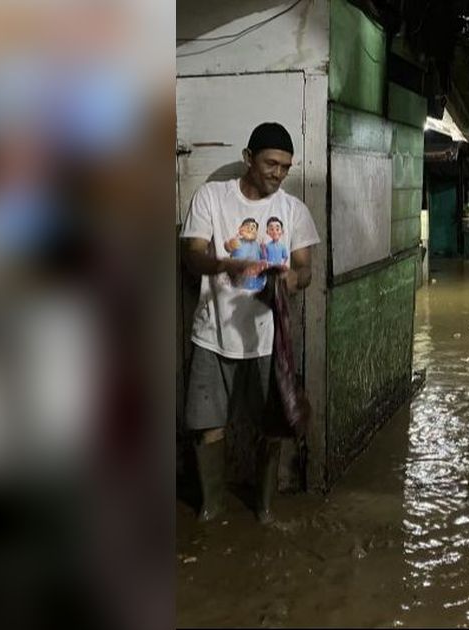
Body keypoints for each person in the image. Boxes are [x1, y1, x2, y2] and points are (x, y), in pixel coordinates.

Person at [179, 122, 319, 524]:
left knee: (272, 427)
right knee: (207, 425)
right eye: (271, 163)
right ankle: (212, 507)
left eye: (285, 167)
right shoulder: (212, 197)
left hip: (268, 337)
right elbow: (192, 254)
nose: (278, 173)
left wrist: (292, 278)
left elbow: (306, 268)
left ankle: (264, 509)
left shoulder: (293, 210)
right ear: (248, 159)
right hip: (212, 330)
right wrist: (228, 264)